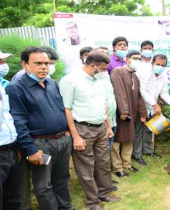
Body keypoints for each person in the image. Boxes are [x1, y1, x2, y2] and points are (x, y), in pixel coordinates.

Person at [6, 46, 74, 210]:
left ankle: (66, 208)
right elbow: (18, 121)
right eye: (38, 63)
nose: (44, 67)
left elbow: (60, 109)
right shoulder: (16, 88)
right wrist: (30, 149)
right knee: (44, 186)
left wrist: (67, 132)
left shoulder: (52, 83)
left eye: (46, 63)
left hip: (62, 140)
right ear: (25, 65)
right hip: (40, 145)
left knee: (62, 179)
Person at [59, 52, 119, 210]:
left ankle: (104, 193)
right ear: (93, 66)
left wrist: (107, 126)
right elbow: (67, 109)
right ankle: (93, 202)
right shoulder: (70, 81)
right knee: (86, 167)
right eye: (103, 69)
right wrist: (76, 136)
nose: (106, 72)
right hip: (83, 128)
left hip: (101, 127)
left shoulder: (98, 78)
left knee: (104, 163)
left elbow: (103, 103)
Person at [134, 53, 170, 166]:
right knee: (138, 131)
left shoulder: (163, 76)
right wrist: (154, 104)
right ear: (152, 63)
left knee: (149, 130)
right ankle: (137, 155)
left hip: (152, 108)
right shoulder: (143, 74)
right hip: (141, 106)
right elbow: (142, 91)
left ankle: (148, 151)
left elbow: (164, 93)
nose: (160, 67)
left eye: (163, 65)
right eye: (158, 64)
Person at [110, 51, 147, 178]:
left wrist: (142, 113)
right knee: (117, 141)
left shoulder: (135, 76)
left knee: (129, 139)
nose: (137, 60)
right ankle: (117, 168)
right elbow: (119, 92)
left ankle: (127, 164)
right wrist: (124, 111)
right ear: (127, 59)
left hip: (131, 113)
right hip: (120, 114)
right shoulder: (117, 71)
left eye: (139, 59)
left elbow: (139, 97)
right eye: (134, 58)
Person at [0, 79, 20, 210]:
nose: (1, 65)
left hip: (10, 149)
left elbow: (5, 115)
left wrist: (15, 145)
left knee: (13, 198)